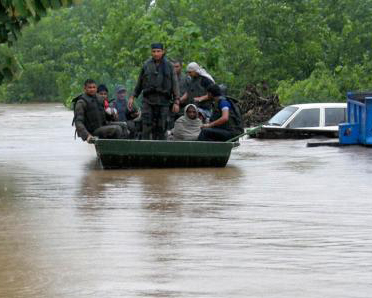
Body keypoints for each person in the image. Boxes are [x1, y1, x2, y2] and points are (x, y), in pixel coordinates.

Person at [128, 43, 180, 140]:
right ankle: (145, 150)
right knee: (146, 125)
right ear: (151, 52)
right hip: (148, 100)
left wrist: (176, 101)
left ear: (163, 52)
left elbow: (175, 84)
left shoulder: (169, 66)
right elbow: (139, 83)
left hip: (164, 100)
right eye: (154, 51)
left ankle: (159, 151)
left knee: (161, 127)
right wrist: (132, 97)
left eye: (158, 51)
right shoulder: (146, 65)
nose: (156, 54)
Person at [168, 59, 188, 129]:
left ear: (181, 67)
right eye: (173, 67)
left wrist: (178, 101)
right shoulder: (168, 78)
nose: (175, 68)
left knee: (181, 126)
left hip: (183, 107)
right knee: (169, 127)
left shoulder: (186, 78)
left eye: (177, 66)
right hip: (169, 107)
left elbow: (189, 92)